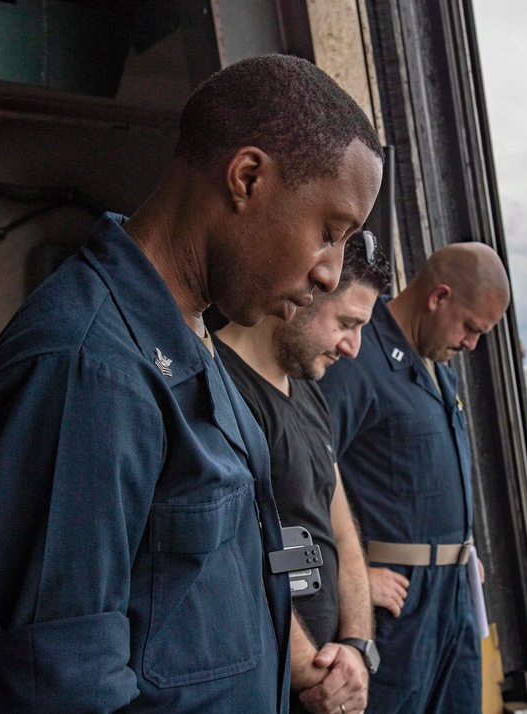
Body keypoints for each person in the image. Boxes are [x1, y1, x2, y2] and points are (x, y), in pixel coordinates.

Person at [0, 55, 384, 713]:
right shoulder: (88, 371)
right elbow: (55, 692)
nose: (330, 273)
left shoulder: (191, 349)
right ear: (247, 178)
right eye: (330, 232)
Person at [319, 243, 510, 713]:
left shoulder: (442, 371)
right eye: (469, 327)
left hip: (454, 595)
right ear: (437, 296)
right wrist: (353, 574)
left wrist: (459, 546)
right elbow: (304, 470)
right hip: (399, 607)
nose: (471, 344)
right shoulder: (357, 357)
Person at [216, 233, 391, 714]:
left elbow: (341, 529)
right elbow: (234, 563)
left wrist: (357, 646)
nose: (354, 348)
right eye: (348, 324)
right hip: (272, 690)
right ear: (306, 293)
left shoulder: (309, 390)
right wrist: (319, 680)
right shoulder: (219, 389)